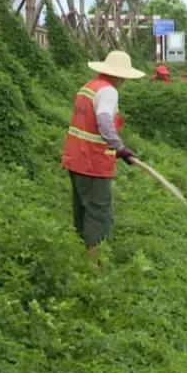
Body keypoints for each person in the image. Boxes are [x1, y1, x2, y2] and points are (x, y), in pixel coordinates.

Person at [62, 50, 146, 268]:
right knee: (99, 214)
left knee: (83, 209)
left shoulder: (89, 87)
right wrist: (120, 147)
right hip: (93, 163)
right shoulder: (109, 92)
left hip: (76, 158)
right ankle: (94, 266)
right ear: (120, 76)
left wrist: (118, 149)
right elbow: (104, 123)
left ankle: (82, 258)